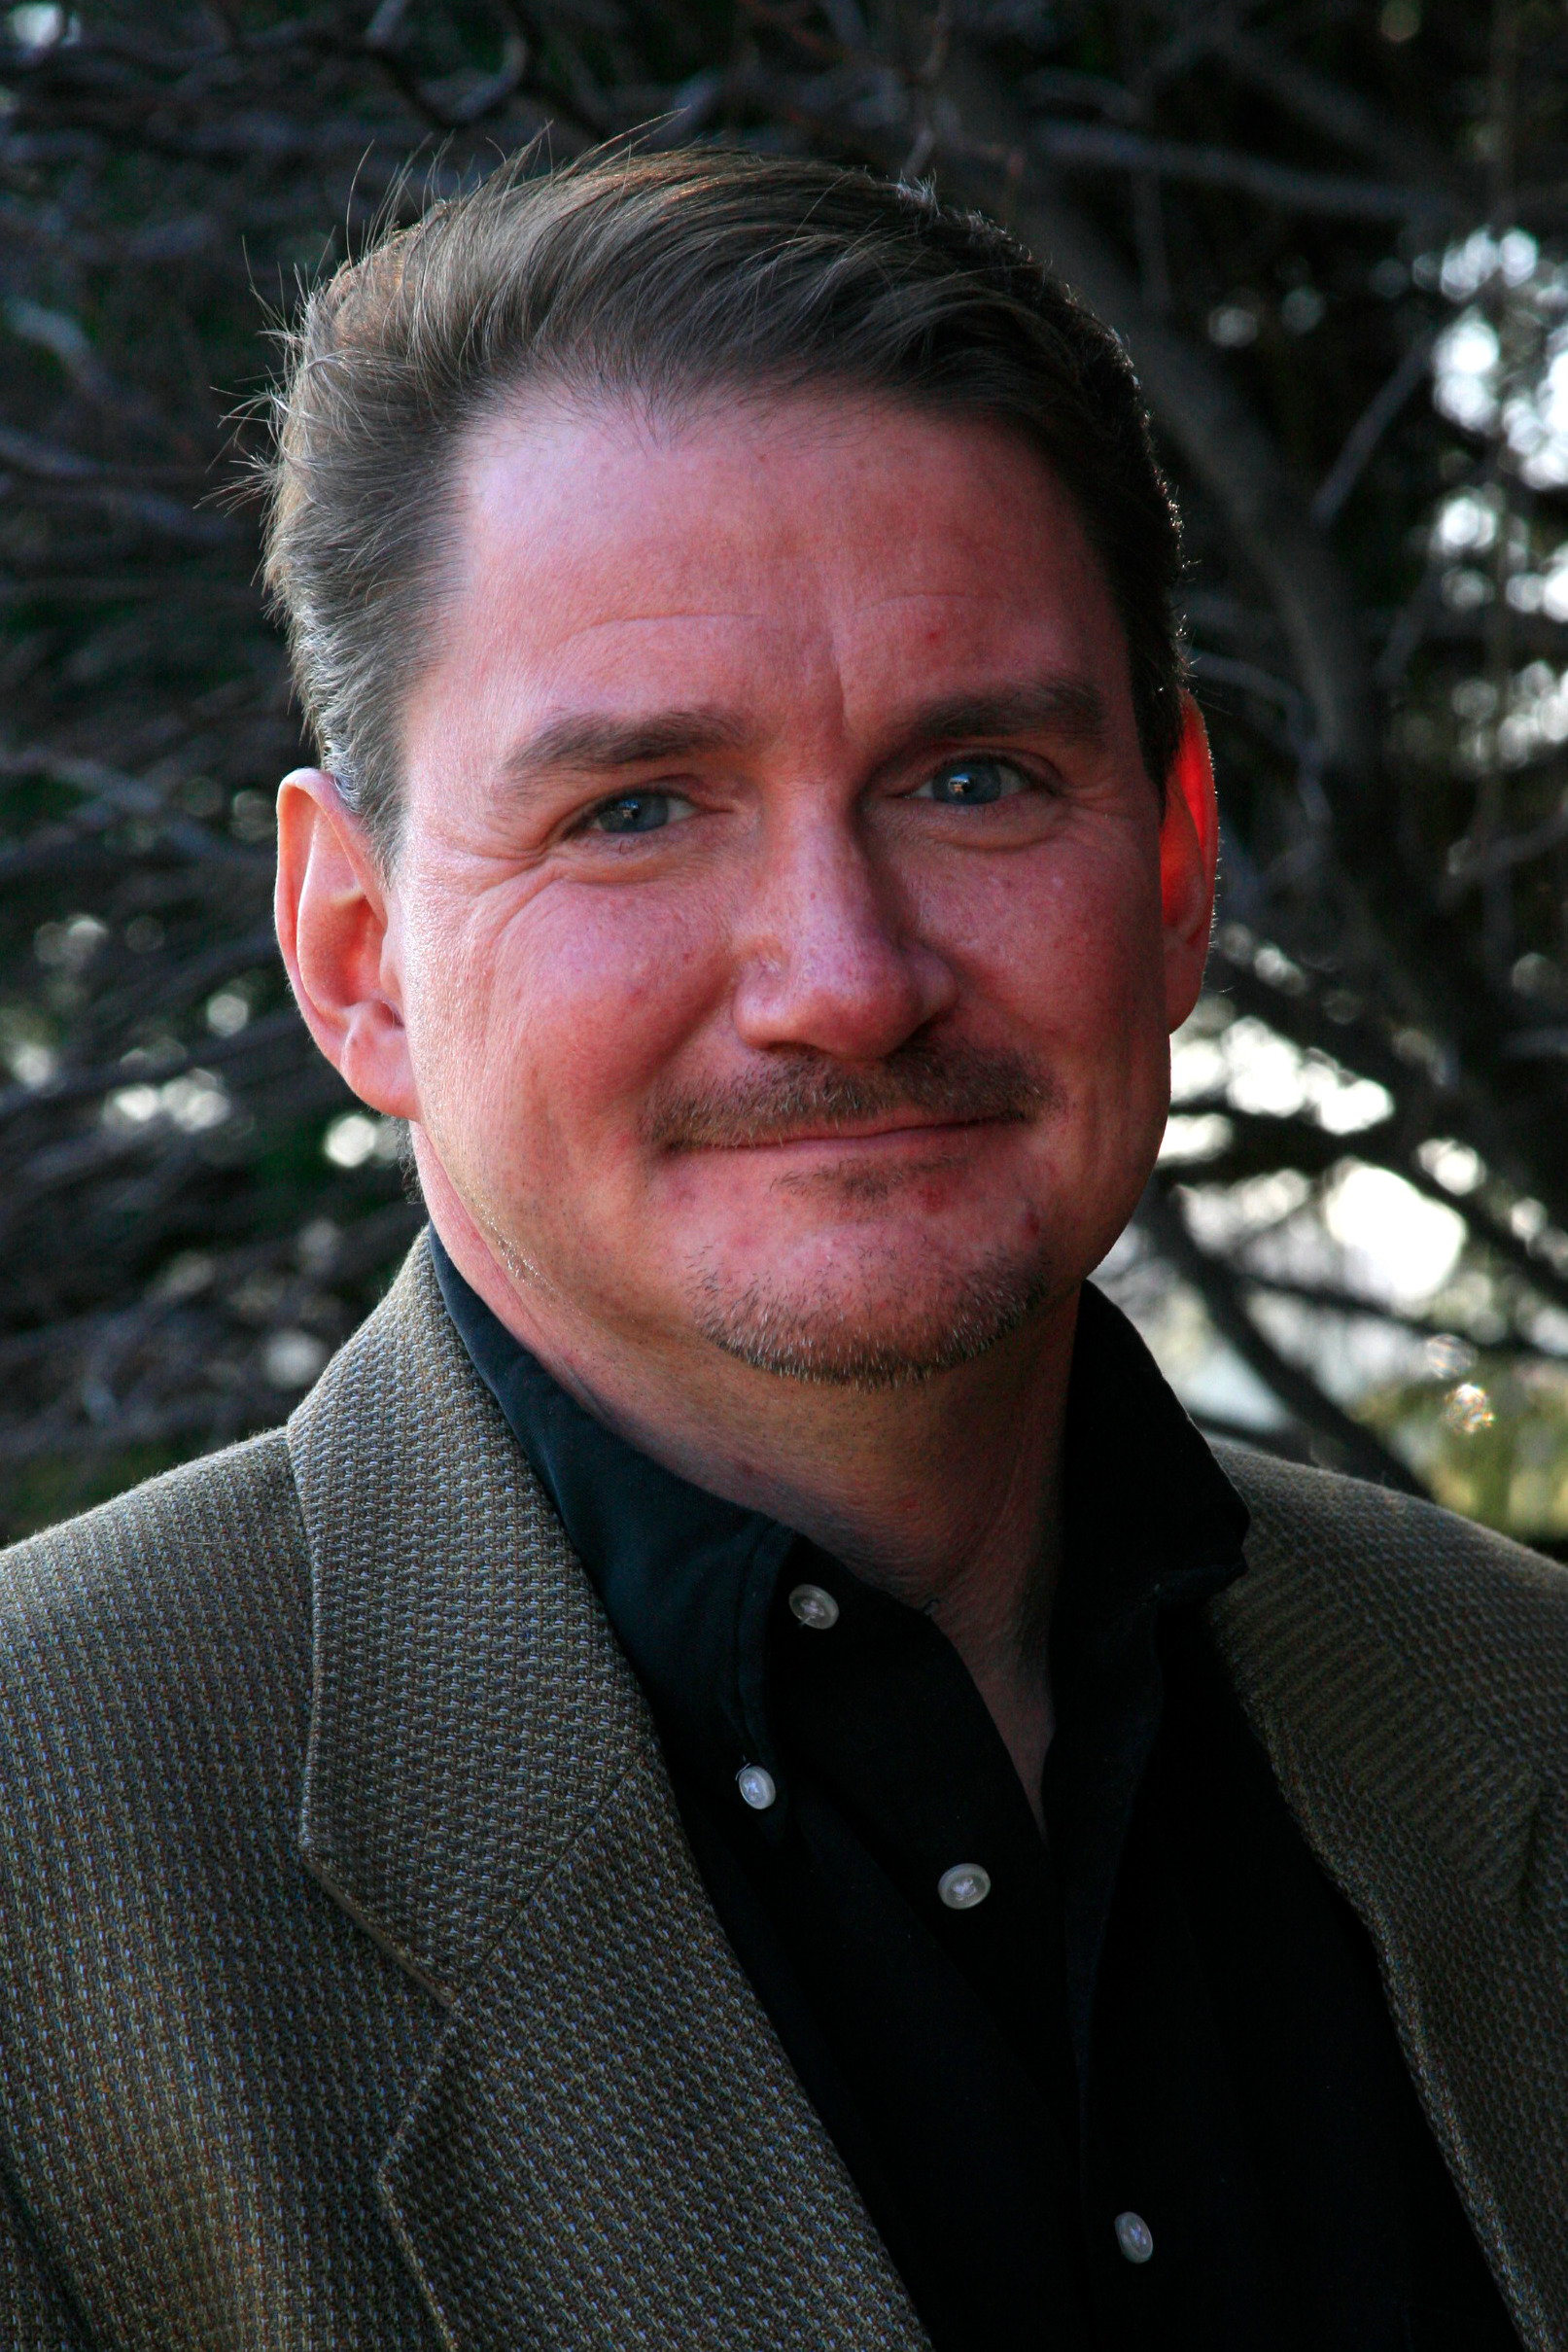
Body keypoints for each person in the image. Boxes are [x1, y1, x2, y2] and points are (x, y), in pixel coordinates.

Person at [0, 149, 1555, 2352]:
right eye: (633, 810)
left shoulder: (1520, 1702)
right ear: (358, 956)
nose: (844, 979)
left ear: (1178, 864)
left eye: (974, 777)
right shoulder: (40, 1872)